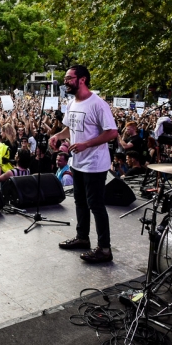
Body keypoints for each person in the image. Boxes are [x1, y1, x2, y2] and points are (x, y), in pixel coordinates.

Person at [50, 65, 118, 263]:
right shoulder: (72, 103)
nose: (65, 81)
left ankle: (104, 249)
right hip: (77, 162)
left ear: (82, 79)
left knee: (95, 205)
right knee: (80, 201)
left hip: (95, 164)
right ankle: (82, 237)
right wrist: (57, 135)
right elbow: (70, 128)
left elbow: (112, 132)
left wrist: (86, 144)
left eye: (69, 78)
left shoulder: (98, 104)